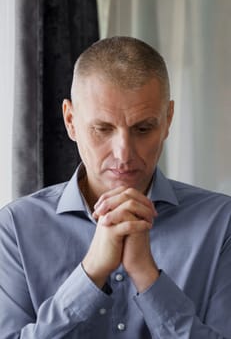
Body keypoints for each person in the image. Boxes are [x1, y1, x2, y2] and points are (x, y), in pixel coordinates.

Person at [0, 36, 231, 339]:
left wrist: (148, 278)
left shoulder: (222, 223)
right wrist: (90, 273)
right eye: (103, 129)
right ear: (70, 121)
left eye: (143, 129)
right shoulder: (15, 228)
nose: (124, 154)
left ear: (168, 119)